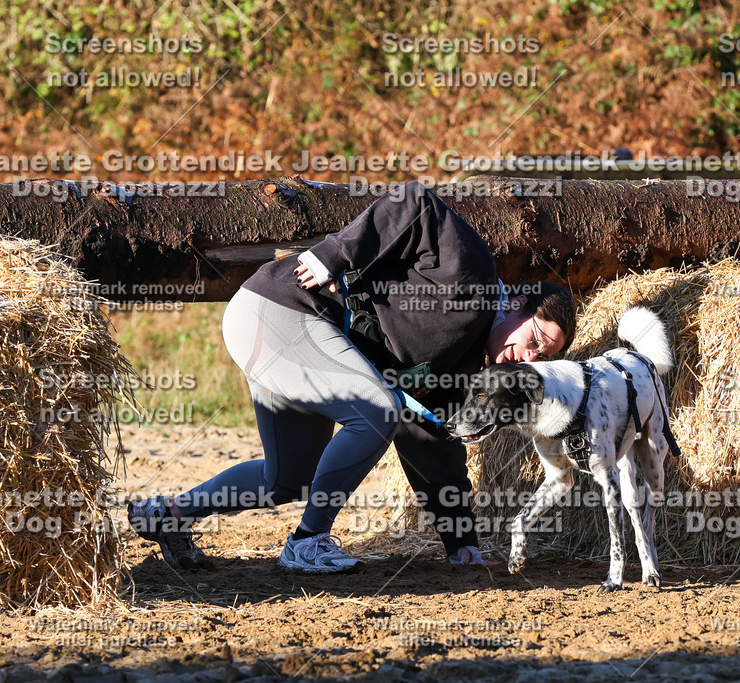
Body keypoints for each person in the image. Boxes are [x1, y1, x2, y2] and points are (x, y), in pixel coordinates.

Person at [128, 181, 577, 573]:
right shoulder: (475, 271)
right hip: (281, 310)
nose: (528, 358)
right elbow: (414, 201)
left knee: (289, 479)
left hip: (299, 341)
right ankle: (307, 544)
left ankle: (170, 514)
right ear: (517, 301)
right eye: (535, 339)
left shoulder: (464, 364)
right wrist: (334, 255)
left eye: (541, 358)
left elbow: (430, 440)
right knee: (379, 409)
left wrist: (462, 545)